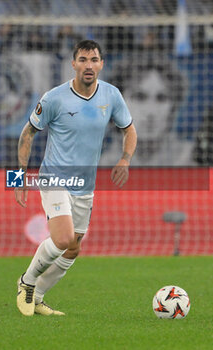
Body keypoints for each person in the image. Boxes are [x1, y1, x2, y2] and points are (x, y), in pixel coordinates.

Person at [15, 40, 137, 316]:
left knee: (73, 248)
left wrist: (125, 159)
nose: (89, 65)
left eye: (94, 60)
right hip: (54, 177)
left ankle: (38, 298)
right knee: (63, 238)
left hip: (85, 184)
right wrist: (18, 177)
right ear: (74, 64)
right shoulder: (54, 98)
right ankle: (27, 282)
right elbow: (27, 133)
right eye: (83, 60)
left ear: (101, 64)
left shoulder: (111, 95)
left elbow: (129, 129)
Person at [100, 57, 194, 166]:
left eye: (161, 98)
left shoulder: (191, 158)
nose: (151, 112)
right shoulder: (102, 163)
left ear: (173, 107)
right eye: (139, 97)